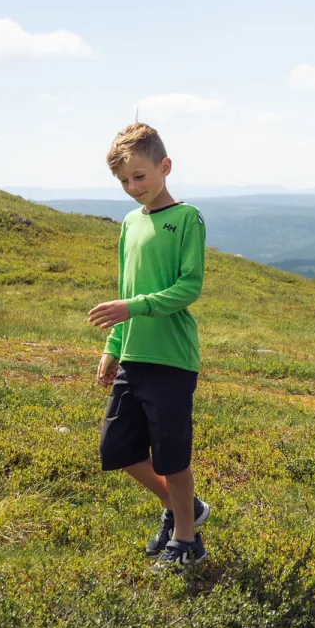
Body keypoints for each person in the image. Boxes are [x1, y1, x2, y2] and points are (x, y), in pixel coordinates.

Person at [89, 122, 213, 572]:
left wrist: (133, 308)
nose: (131, 187)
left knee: (171, 453)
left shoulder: (187, 218)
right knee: (116, 448)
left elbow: (188, 287)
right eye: (123, 181)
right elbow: (126, 287)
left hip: (172, 359)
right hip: (134, 355)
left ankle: (186, 538)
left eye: (139, 176)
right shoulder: (128, 223)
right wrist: (113, 345)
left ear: (165, 166)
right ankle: (185, 508)